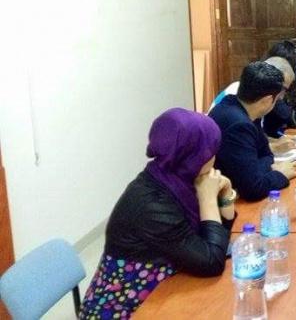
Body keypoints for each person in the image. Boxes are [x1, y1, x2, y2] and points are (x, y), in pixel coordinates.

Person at [80, 109, 235, 318]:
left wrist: (225, 196)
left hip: (164, 290)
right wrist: (208, 200)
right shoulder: (151, 204)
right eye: (210, 150)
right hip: (124, 310)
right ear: (191, 155)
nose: (214, 157)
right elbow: (212, 261)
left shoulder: (178, 179)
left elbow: (219, 239)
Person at [209, 62, 296, 201]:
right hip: (226, 199)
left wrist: (259, 167)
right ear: (268, 100)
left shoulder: (241, 107)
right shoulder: (239, 125)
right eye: (276, 99)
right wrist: (280, 174)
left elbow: (265, 155)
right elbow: (253, 189)